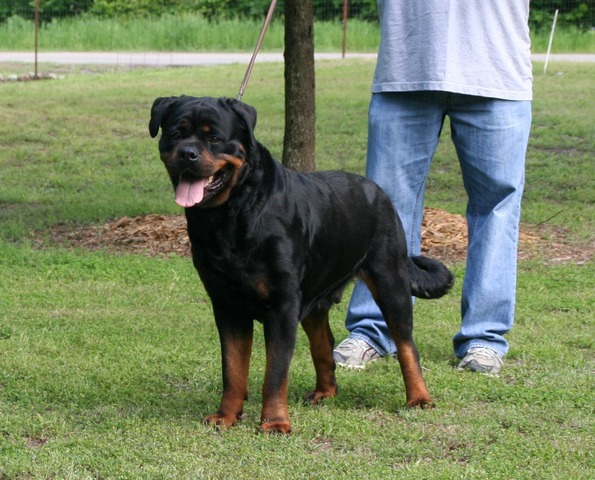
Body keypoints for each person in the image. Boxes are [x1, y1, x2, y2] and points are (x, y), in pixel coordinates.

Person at [333, 0, 533, 374]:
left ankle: (484, 339)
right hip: (404, 70)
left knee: (497, 209)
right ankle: (372, 330)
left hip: (498, 72)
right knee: (381, 212)